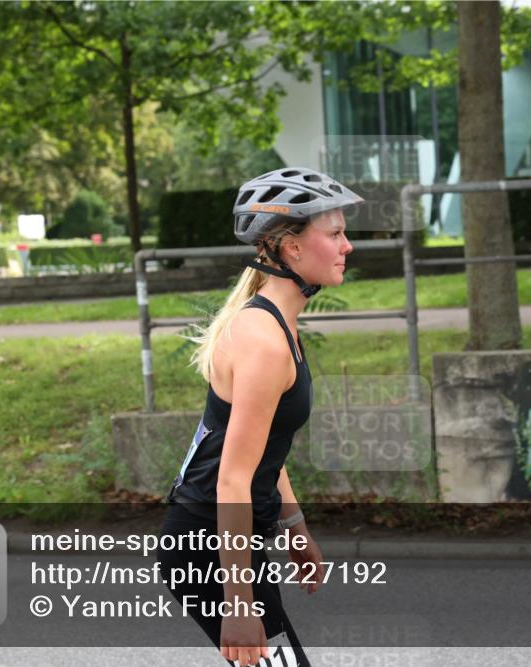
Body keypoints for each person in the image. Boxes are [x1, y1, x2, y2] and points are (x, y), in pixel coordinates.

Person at [157, 167, 361, 666]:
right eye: (335, 233)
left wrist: (296, 528)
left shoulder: (276, 324)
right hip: (207, 541)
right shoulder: (265, 341)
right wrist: (239, 605)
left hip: (222, 536)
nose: (347, 246)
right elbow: (232, 479)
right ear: (291, 247)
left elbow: (266, 445)